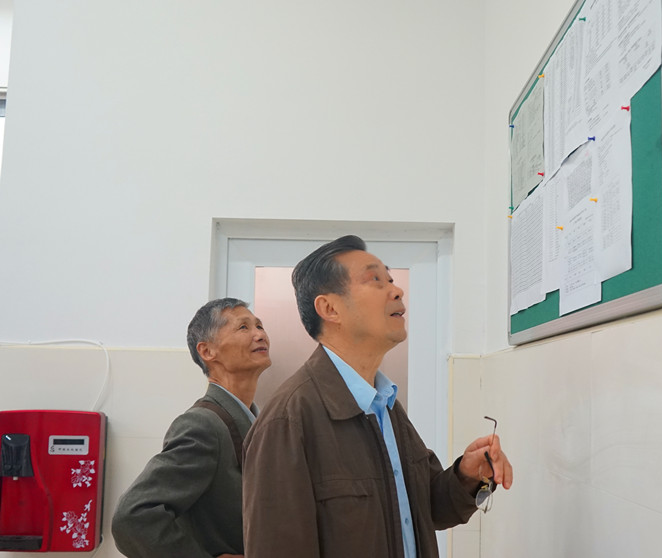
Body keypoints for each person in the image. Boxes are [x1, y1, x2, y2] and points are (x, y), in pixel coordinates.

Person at [243, 235, 512, 557]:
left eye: (391, 280)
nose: (396, 291)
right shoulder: (288, 420)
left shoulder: (384, 403)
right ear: (330, 308)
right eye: (374, 280)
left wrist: (467, 475)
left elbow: (425, 507)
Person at [112, 298, 271, 558]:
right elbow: (132, 518)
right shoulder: (203, 425)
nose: (260, 334)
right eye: (243, 327)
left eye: (260, 326)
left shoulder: (257, 420)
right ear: (207, 351)